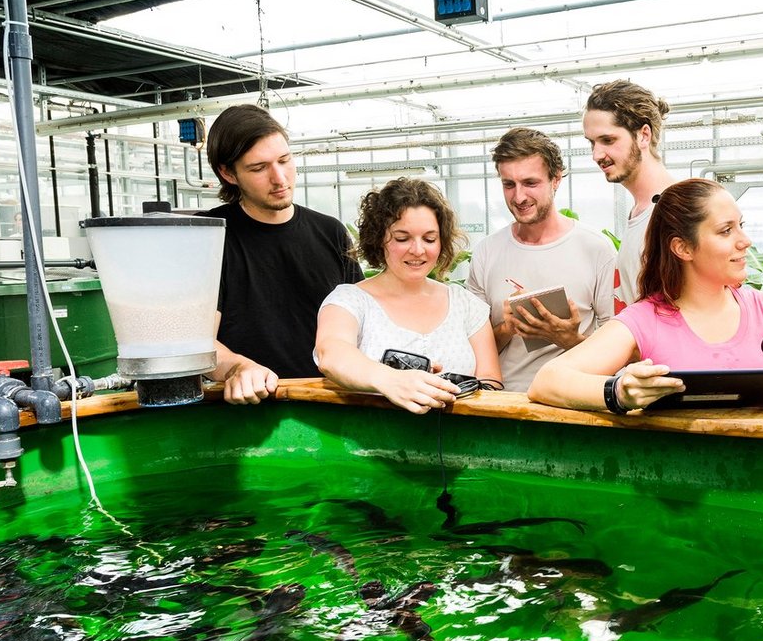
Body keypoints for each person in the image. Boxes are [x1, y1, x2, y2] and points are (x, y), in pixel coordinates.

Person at [529, 178, 763, 413]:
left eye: (741, 226)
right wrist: (618, 392)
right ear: (683, 248)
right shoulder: (645, 319)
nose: (745, 241)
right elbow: (547, 380)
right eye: (726, 230)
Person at [203, 104, 362, 405]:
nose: (280, 178)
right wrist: (238, 367)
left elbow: (361, 323)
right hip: (250, 408)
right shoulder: (210, 237)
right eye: (259, 168)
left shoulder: (331, 232)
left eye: (284, 160)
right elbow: (198, 340)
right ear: (228, 173)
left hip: (331, 403)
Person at [314, 178, 500, 414]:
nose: (418, 250)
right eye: (402, 238)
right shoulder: (349, 300)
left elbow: (491, 380)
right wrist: (390, 379)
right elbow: (332, 353)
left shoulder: (466, 304)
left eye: (430, 239)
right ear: (379, 238)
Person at [467, 128, 616, 391]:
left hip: (572, 400)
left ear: (556, 179)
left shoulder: (596, 249)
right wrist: (507, 327)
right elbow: (471, 349)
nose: (519, 197)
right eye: (508, 184)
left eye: (530, 183)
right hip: (502, 402)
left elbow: (618, 349)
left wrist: (570, 339)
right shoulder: (486, 252)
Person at [582, 79, 676, 311]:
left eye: (608, 140)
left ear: (644, 135)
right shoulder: (641, 211)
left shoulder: (677, 211)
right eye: (592, 143)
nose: (596, 154)